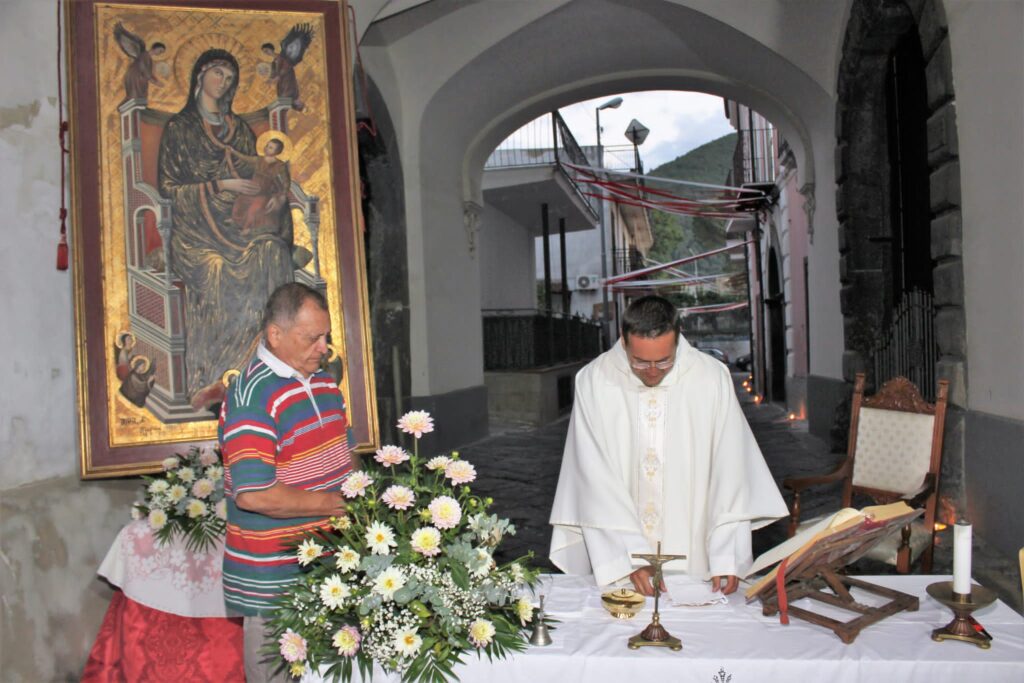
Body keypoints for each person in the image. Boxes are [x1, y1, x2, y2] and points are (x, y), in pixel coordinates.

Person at [549, 295, 787, 596]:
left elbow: (731, 468)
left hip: (696, 551)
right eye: (640, 361)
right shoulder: (594, 382)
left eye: (664, 361)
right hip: (623, 561)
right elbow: (593, 476)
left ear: (678, 341)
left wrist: (726, 552)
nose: (652, 371)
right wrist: (629, 555)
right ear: (623, 342)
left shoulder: (711, 378)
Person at [219, 283, 352, 682]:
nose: (324, 347)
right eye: (313, 337)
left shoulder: (325, 382)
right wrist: (336, 505)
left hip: (328, 568)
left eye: (326, 336)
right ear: (275, 335)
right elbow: (256, 495)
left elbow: (341, 458)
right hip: (276, 580)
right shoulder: (252, 396)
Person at [157, 48, 295, 410]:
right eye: (219, 73)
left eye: (231, 78)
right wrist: (222, 186)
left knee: (273, 253)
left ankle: (268, 374)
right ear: (200, 75)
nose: (225, 82)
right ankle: (215, 377)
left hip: (243, 225)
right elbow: (169, 188)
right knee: (217, 269)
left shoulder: (240, 130)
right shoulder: (180, 129)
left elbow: (264, 175)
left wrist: (274, 198)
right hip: (197, 233)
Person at [230, 135, 291, 235]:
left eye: (271, 147)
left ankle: (247, 228)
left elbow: (286, 181)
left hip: (264, 193)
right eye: (267, 145)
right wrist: (233, 151)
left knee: (255, 209)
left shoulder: (280, 165)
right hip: (252, 190)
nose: (267, 148)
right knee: (240, 201)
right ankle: (235, 220)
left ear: (277, 151)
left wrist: (283, 195)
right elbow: (245, 158)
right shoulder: (259, 160)